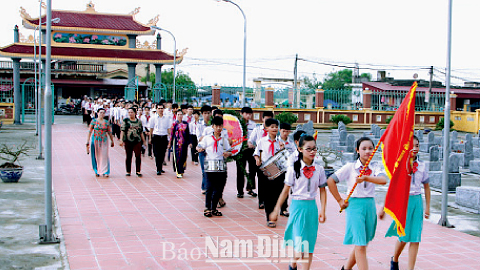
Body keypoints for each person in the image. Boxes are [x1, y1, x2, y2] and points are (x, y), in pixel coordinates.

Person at [327, 137, 388, 270]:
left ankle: (346, 268)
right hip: (354, 206)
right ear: (357, 150)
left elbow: (383, 180)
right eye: (364, 148)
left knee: (363, 242)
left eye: (370, 148)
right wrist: (339, 200)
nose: (367, 151)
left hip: (370, 205)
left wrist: (366, 177)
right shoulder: (350, 167)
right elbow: (331, 180)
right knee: (360, 245)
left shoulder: (375, 166)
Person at [269, 135, 327, 270]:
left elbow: (323, 191)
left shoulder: (319, 169)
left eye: (314, 149)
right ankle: (293, 264)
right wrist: (276, 209)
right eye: (309, 149)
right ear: (300, 149)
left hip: (311, 208)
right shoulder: (293, 168)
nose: (312, 152)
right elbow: (285, 191)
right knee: (300, 243)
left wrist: (323, 210)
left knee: (309, 244)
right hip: (297, 207)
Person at [379, 135, 431, 270]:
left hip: (417, 201)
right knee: (404, 236)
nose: (415, 148)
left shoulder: (422, 165)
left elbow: (426, 187)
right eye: (412, 146)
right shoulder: (400, 165)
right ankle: (395, 258)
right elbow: (393, 187)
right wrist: (384, 208)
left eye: (417, 145)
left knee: (415, 237)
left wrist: (427, 208)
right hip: (404, 202)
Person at [197, 116, 232, 217]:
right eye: (216, 126)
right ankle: (207, 208)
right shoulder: (207, 138)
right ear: (212, 126)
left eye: (220, 126)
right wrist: (199, 148)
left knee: (219, 188)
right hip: (210, 166)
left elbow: (229, 151)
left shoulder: (224, 140)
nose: (218, 128)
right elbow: (200, 146)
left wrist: (227, 154)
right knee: (209, 188)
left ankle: (213, 208)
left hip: (221, 166)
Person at [253, 118, 285, 227]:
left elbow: (284, 157)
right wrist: (257, 159)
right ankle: (269, 217)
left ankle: (275, 213)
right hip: (265, 171)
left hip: (278, 171)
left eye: (276, 127)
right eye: (272, 127)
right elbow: (256, 153)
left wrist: (282, 149)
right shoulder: (262, 141)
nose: (274, 129)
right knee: (267, 195)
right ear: (266, 128)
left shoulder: (281, 142)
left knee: (277, 194)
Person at [248, 110, 274, 209]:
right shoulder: (257, 130)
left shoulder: (274, 131)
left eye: (270, 119)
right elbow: (251, 140)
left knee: (271, 180)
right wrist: (250, 144)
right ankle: (261, 201)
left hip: (271, 159)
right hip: (260, 157)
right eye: (266, 119)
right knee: (261, 180)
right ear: (262, 119)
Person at [236, 107, 258, 199]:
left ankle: (250, 188)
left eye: (250, 114)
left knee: (253, 170)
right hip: (240, 150)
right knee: (240, 171)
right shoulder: (237, 124)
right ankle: (240, 191)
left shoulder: (254, 125)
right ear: (241, 113)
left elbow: (256, 137)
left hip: (251, 150)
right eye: (246, 113)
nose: (248, 115)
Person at [86, 108, 114, 177]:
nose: (102, 114)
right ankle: (96, 170)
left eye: (103, 113)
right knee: (95, 155)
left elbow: (110, 132)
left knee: (104, 155)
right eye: (100, 112)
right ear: (97, 113)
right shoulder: (94, 121)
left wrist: (112, 140)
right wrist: (87, 141)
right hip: (95, 139)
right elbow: (90, 131)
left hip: (104, 140)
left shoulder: (106, 122)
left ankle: (106, 171)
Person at [120, 107, 146, 177]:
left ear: (135, 113)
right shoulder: (126, 121)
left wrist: (144, 141)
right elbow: (122, 130)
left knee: (138, 155)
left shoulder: (139, 121)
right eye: (129, 112)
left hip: (137, 141)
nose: (130, 114)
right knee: (128, 156)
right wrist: (121, 140)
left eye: (132, 112)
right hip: (128, 141)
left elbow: (141, 132)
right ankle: (128, 171)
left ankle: (138, 170)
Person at [168, 110, 191, 178]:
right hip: (177, 144)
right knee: (177, 157)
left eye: (181, 114)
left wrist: (189, 142)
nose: (180, 116)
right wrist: (170, 143)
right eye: (178, 114)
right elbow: (172, 135)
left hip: (184, 143)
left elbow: (188, 134)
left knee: (184, 157)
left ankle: (182, 170)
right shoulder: (174, 124)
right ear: (176, 115)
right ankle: (178, 171)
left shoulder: (185, 124)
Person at [150, 104, 171, 175]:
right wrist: (150, 138)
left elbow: (168, 129)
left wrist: (169, 139)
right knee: (156, 153)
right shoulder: (153, 118)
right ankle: (158, 168)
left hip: (164, 136)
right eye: (159, 108)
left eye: (162, 108)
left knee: (162, 153)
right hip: (156, 136)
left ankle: (160, 167)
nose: (160, 110)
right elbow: (151, 128)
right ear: (156, 109)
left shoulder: (167, 118)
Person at [198, 105, 212, 193]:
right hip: (202, 150)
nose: (207, 115)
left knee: (210, 169)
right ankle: (205, 187)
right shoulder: (199, 125)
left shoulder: (213, 125)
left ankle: (207, 186)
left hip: (211, 150)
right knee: (204, 169)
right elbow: (199, 138)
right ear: (202, 114)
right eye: (205, 113)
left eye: (208, 113)